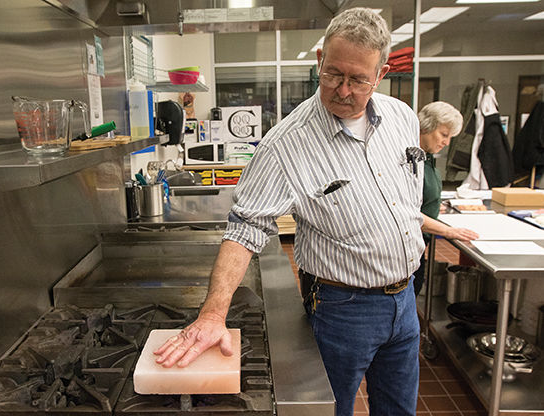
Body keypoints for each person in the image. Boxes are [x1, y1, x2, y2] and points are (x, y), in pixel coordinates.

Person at [155, 8, 423, 416]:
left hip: (406, 302)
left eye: (358, 79)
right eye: (333, 74)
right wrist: (213, 314)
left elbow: (399, 197)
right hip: (343, 310)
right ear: (319, 60)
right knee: (331, 410)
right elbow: (245, 228)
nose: (344, 90)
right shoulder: (286, 145)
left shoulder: (401, 118)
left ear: (381, 73)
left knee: (399, 410)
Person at [415, 102, 479, 296]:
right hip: (406, 249)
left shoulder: (427, 158)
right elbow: (407, 213)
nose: (447, 142)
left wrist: (434, 206)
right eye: (443, 135)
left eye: (450, 137)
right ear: (425, 126)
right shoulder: (410, 162)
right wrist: (448, 231)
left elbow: (423, 196)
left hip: (419, 247)